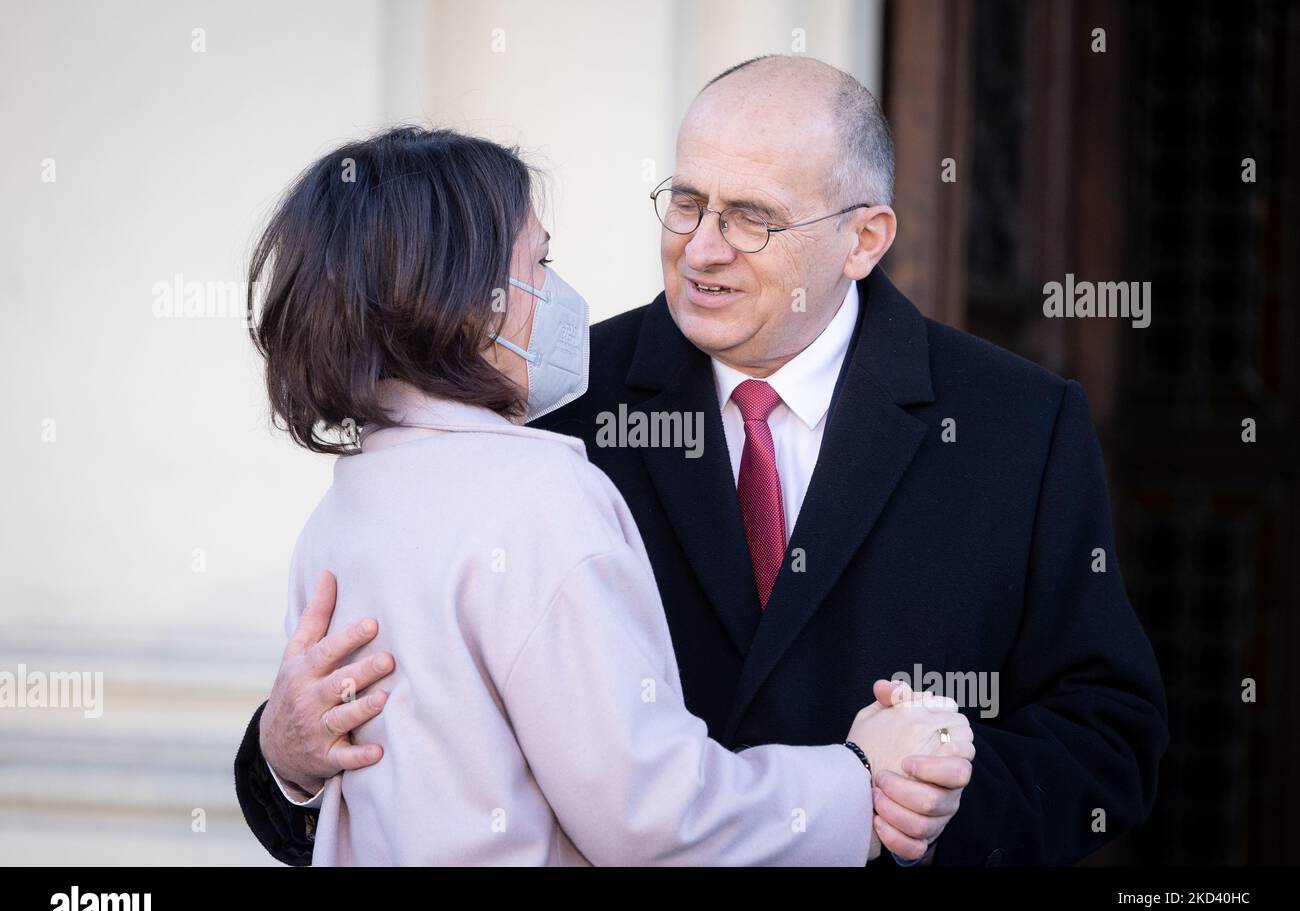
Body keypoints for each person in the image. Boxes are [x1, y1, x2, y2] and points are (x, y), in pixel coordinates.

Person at [240, 55, 1168, 867]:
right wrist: (282, 759)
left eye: (752, 217)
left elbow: (1109, 737)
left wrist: (934, 805)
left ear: (864, 239)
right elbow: (411, 755)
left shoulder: (1019, 422)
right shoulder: (542, 406)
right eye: (686, 202)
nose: (701, 249)